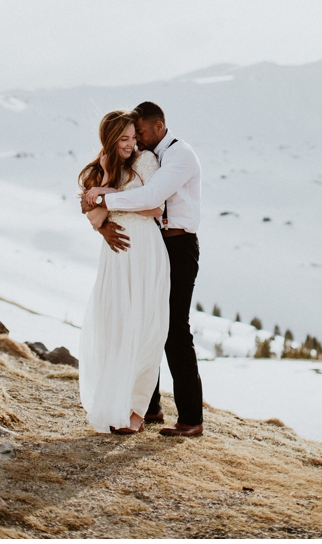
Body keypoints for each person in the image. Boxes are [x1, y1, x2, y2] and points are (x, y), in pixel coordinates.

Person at [81, 101, 205, 438]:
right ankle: (148, 408)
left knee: (173, 329)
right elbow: (86, 201)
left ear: (159, 126)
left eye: (140, 133)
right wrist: (102, 225)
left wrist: (105, 199)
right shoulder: (132, 157)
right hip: (151, 243)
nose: (137, 141)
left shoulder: (179, 155)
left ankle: (191, 419)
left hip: (177, 245)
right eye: (129, 136)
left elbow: (152, 198)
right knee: (139, 320)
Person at [77, 110, 169, 434]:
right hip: (117, 255)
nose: (131, 145)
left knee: (145, 329)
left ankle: (137, 413)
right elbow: (88, 206)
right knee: (116, 327)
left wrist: (109, 197)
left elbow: (155, 207)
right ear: (109, 141)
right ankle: (114, 404)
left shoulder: (146, 163)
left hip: (145, 248)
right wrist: (102, 194)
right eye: (123, 140)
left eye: (133, 137)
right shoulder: (102, 165)